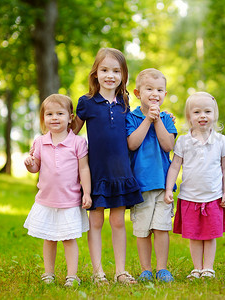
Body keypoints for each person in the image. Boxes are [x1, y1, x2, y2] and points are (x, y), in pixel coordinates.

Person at [74, 48, 143, 284]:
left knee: (117, 221)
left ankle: (121, 272)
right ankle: (98, 272)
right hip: (96, 173)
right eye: (104, 70)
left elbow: (138, 124)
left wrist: (164, 117)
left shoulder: (125, 103)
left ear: (123, 75)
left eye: (116, 71)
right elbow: (71, 132)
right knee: (96, 221)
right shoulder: (86, 103)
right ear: (96, 73)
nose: (110, 75)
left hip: (121, 172)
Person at [24, 94, 92, 287]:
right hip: (46, 200)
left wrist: (86, 193)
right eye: (49, 114)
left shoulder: (78, 142)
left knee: (69, 238)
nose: (54, 118)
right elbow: (36, 166)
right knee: (49, 238)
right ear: (43, 118)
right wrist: (30, 164)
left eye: (60, 113)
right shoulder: (40, 142)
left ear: (70, 116)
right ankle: (49, 273)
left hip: (69, 200)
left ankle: (72, 275)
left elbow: (84, 169)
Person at [164, 92, 225, 280]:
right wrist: (169, 189)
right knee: (194, 235)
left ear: (215, 115)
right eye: (197, 112)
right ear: (189, 117)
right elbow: (175, 166)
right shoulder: (184, 142)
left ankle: (208, 268)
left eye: (207, 111)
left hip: (213, 197)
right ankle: (197, 268)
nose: (202, 115)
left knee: (210, 235)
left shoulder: (221, 141)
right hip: (190, 197)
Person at [126, 68, 177, 282]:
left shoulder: (166, 119)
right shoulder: (132, 117)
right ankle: (146, 269)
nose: (155, 93)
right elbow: (132, 143)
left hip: (163, 185)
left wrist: (157, 120)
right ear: (138, 93)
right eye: (149, 89)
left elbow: (168, 146)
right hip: (140, 185)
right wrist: (147, 119)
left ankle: (162, 268)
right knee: (143, 230)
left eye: (160, 90)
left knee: (162, 228)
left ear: (165, 94)